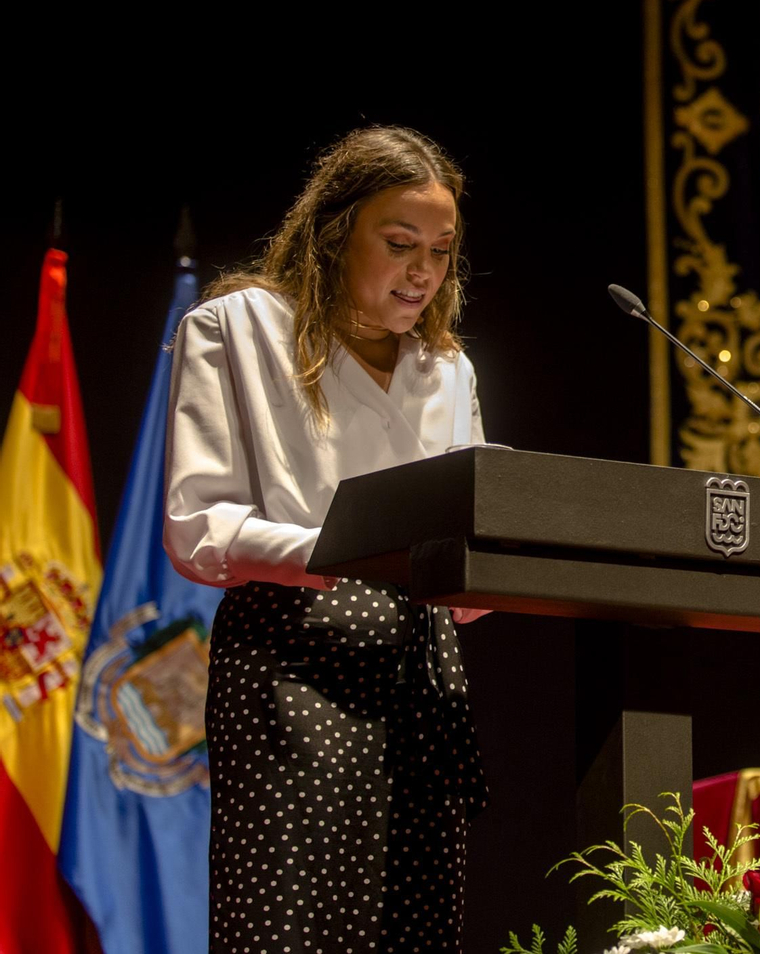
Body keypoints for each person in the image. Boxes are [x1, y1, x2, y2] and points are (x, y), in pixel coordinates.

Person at [164, 125, 491, 953]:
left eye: (441, 251)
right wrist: (348, 549)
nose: (423, 272)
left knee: (414, 927)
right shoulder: (237, 329)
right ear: (337, 231)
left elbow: (470, 551)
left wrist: (504, 564)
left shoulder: (445, 369)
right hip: (295, 666)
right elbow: (198, 525)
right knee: (291, 923)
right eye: (400, 243)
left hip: (421, 673)